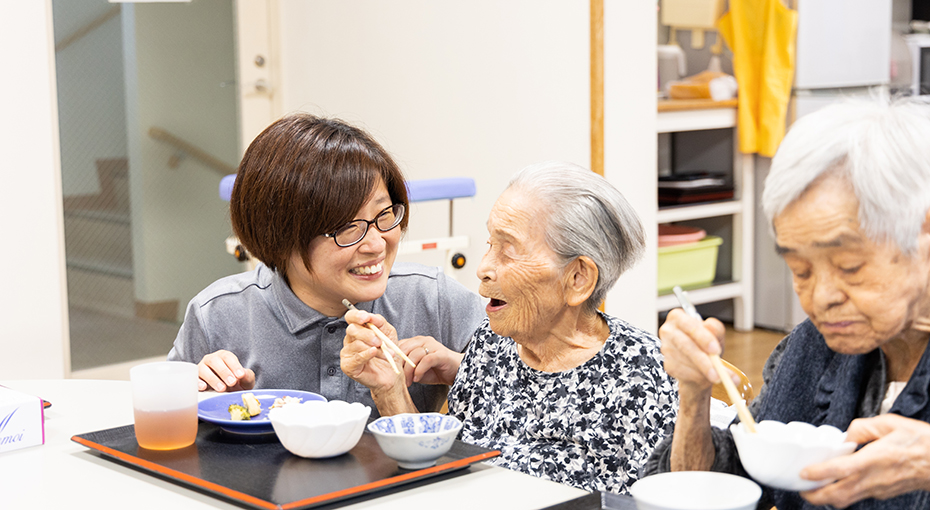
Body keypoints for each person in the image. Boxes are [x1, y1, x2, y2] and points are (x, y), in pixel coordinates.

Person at [646, 97, 930, 509]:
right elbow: (734, 486)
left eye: (849, 266)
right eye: (800, 271)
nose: (820, 299)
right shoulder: (813, 348)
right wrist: (694, 395)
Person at [341, 162, 678, 494]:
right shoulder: (490, 346)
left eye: (509, 251)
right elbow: (444, 479)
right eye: (490, 244)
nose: (483, 268)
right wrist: (391, 389)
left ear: (578, 278)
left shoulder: (641, 375)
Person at [167, 113, 485, 416]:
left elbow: (526, 396)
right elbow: (164, 425)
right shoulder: (217, 315)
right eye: (347, 228)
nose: (376, 244)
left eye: (384, 216)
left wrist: (460, 368)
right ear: (280, 235)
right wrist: (204, 404)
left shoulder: (432, 299)